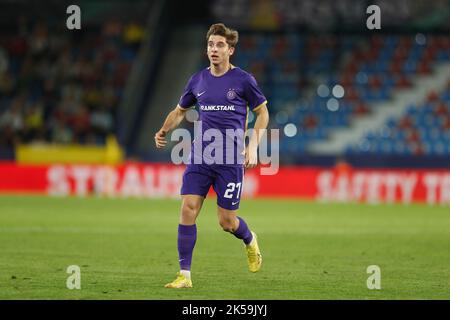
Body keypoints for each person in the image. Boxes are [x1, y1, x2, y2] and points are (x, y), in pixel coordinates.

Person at [154, 23, 269, 288]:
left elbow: (262, 113)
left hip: (229, 160)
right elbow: (180, 110)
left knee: (226, 222)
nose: (213, 49)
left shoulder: (243, 80)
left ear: (230, 50)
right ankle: (185, 275)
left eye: (219, 45)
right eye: (210, 45)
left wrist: (252, 147)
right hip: (200, 156)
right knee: (188, 208)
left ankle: (250, 238)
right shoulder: (197, 80)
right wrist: (164, 129)